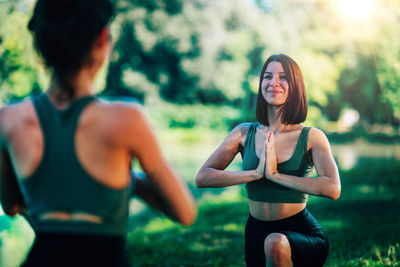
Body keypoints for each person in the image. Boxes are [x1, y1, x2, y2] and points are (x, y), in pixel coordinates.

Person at [0, 0, 196, 266]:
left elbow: (12, 205)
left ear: (42, 44)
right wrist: (129, 180)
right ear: (102, 39)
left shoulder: (8, 119)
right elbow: (184, 211)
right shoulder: (128, 118)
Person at [196, 54, 341, 267]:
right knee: (269, 243)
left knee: (275, 243)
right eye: (267, 76)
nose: (273, 82)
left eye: (283, 77)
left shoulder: (312, 137)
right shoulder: (243, 133)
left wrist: (276, 175)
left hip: (299, 232)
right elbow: (203, 177)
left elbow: (333, 188)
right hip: (255, 232)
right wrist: (255, 174)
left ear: (295, 86)